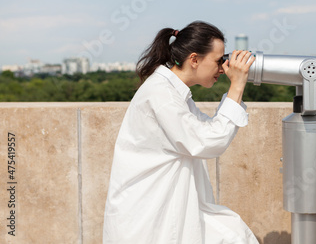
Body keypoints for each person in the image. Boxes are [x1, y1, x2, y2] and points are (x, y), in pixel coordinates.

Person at [103, 21, 259, 243]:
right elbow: (207, 142)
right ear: (194, 59)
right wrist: (236, 87)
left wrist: (236, 89)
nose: (223, 68)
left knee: (233, 233)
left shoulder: (173, 93)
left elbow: (209, 130)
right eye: (218, 61)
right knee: (233, 235)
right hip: (147, 215)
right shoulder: (161, 94)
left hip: (164, 208)